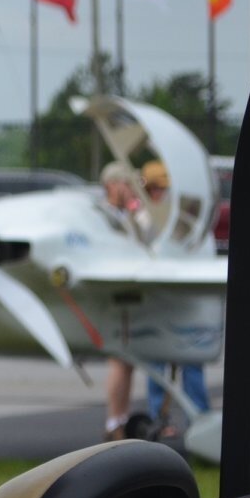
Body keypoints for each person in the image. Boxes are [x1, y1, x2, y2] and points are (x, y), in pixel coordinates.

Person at [139, 159, 210, 432]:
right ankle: (160, 418)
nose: (161, 195)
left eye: (164, 189)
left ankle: (199, 418)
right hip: (158, 300)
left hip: (184, 301)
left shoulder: (184, 220)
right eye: (156, 189)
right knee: (157, 362)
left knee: (192, 362)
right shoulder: (144, 219)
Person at [100, 161, 141, 439]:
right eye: (125, 183)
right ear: (112, 185)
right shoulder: (105, 217)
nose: (129, 189)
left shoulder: (126, 216)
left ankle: (121, 418)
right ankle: (114, 422)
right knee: (118, 359)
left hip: (126, 295)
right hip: (111, 297)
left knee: (127, 361)